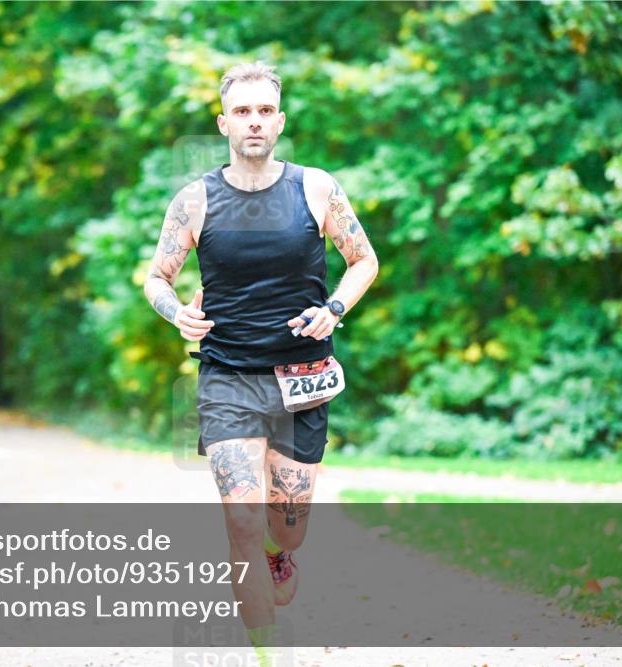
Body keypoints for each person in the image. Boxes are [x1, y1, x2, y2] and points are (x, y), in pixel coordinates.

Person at [142, 61, 379, 662]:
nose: (254, 121)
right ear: (224, 123)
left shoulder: (316, 188)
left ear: (280, 121)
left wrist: (333, 308)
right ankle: (270, 656)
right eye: (242, 111)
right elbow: (157, 278)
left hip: (302, 379)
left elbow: (364, 261)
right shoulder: (195, 200)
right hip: (227, 378)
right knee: (243, 522)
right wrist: (177, 314)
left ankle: (283, 550)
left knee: (285, 527)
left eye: (264, 110)